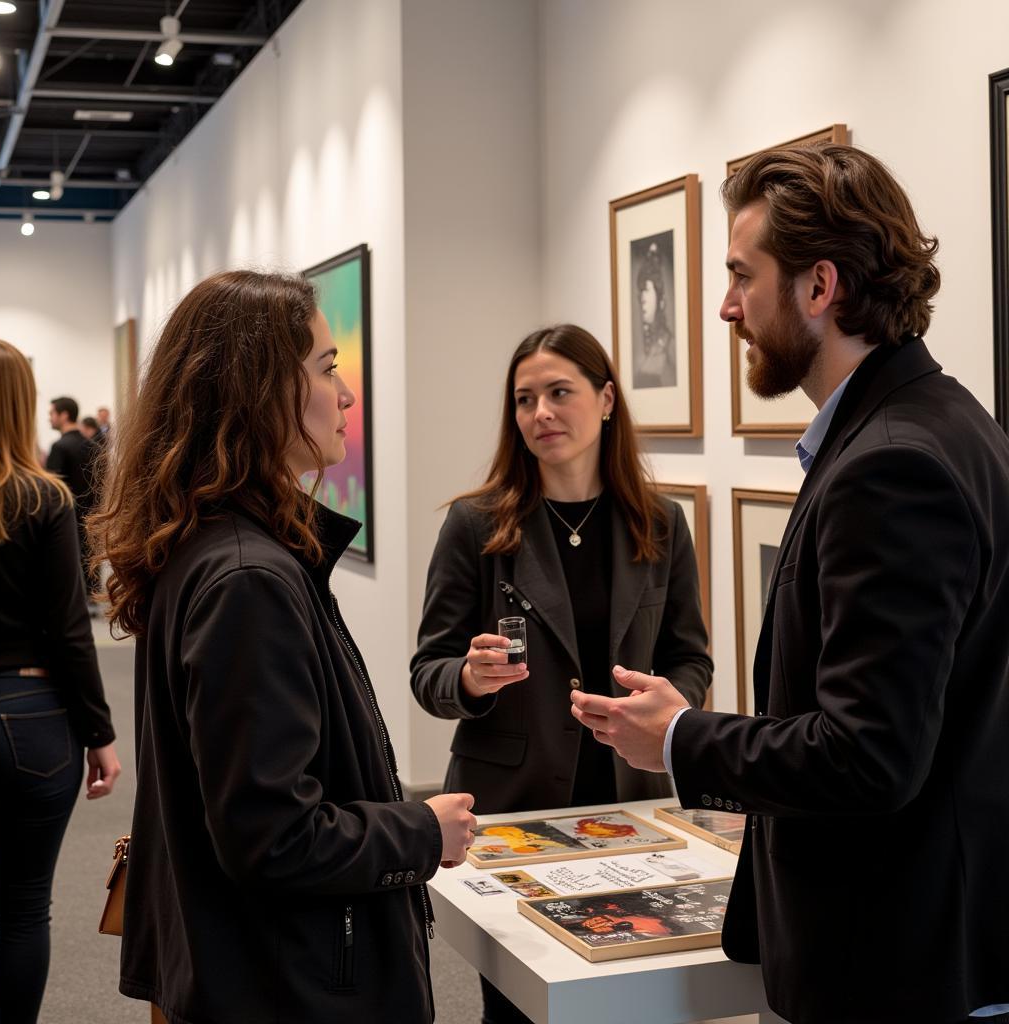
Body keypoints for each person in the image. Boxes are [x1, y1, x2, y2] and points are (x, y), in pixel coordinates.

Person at [570, 144, 1009, 1024]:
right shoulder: (949, 421)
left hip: (891, 964)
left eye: (742, 276)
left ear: (820, 287)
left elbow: (870, 755)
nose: (727, 307)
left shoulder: (891, 467)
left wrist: (683, 736)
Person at [88, 270, 476, 1024]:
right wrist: (420, 829)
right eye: (328, 370)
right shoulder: (247, 579)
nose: (346, 395)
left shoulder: (229, 550)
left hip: (257, 966)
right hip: (286, 984)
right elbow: (273, 836)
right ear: (259, 392)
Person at [411, 322, 712, 1023]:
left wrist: (670, 707)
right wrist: (469, 679)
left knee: (633, 999)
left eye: (558, 393)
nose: (540, 413)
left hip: (632, 807)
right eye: (523, 399)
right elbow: (429, 670)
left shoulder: (661, 524)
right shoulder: (475, 525)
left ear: (606, 400)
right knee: (521, 1008)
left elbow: (690, 657)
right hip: (512, 811)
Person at [0, 337, 121, 1024]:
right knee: (22, 907)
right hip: (30, 716)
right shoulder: (44, 498)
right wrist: (99, 733)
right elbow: (71, 630)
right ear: (24, 406)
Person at [46, 395, 98, 588]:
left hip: (67, 516)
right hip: (91, 513)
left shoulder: (59, 447)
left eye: (52, 413)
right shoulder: (93, 445)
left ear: (64, 415)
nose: (49, 418)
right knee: (89, 558)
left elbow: (51, 490)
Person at [633, 241, 676, 388]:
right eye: (641, 292)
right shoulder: (645, 349)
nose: (643, 299)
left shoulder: (669, 347)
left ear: (660, 299)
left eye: (647, 291)